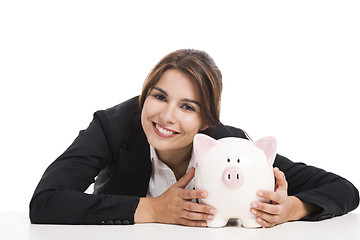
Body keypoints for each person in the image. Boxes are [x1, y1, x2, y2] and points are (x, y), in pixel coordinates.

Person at [30, 49, 359, 228]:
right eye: (159, 97)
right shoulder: (110, 127)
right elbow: (45, 202)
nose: (167, 116)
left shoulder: (231, 146)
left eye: (187, 106)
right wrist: (155, 210)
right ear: (144, 97)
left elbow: (343, 189)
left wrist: (292, 208)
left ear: (207, 122)